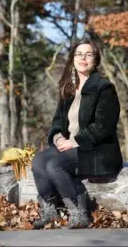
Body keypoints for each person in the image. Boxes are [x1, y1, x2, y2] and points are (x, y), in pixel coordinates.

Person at [31, 39, 123, 229]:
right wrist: (57, 137)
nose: (83, 58)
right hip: (70, 147)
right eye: (79, 54)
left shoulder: (104, 88)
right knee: (39, 160)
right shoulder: (69, 88)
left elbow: (103, 127)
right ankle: (50, 209)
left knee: (55, 165)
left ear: (95, 60)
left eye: (88, 54)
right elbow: (57, 121)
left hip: (98, 150)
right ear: (73, 59)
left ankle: (79, 212)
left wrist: (74, 142)